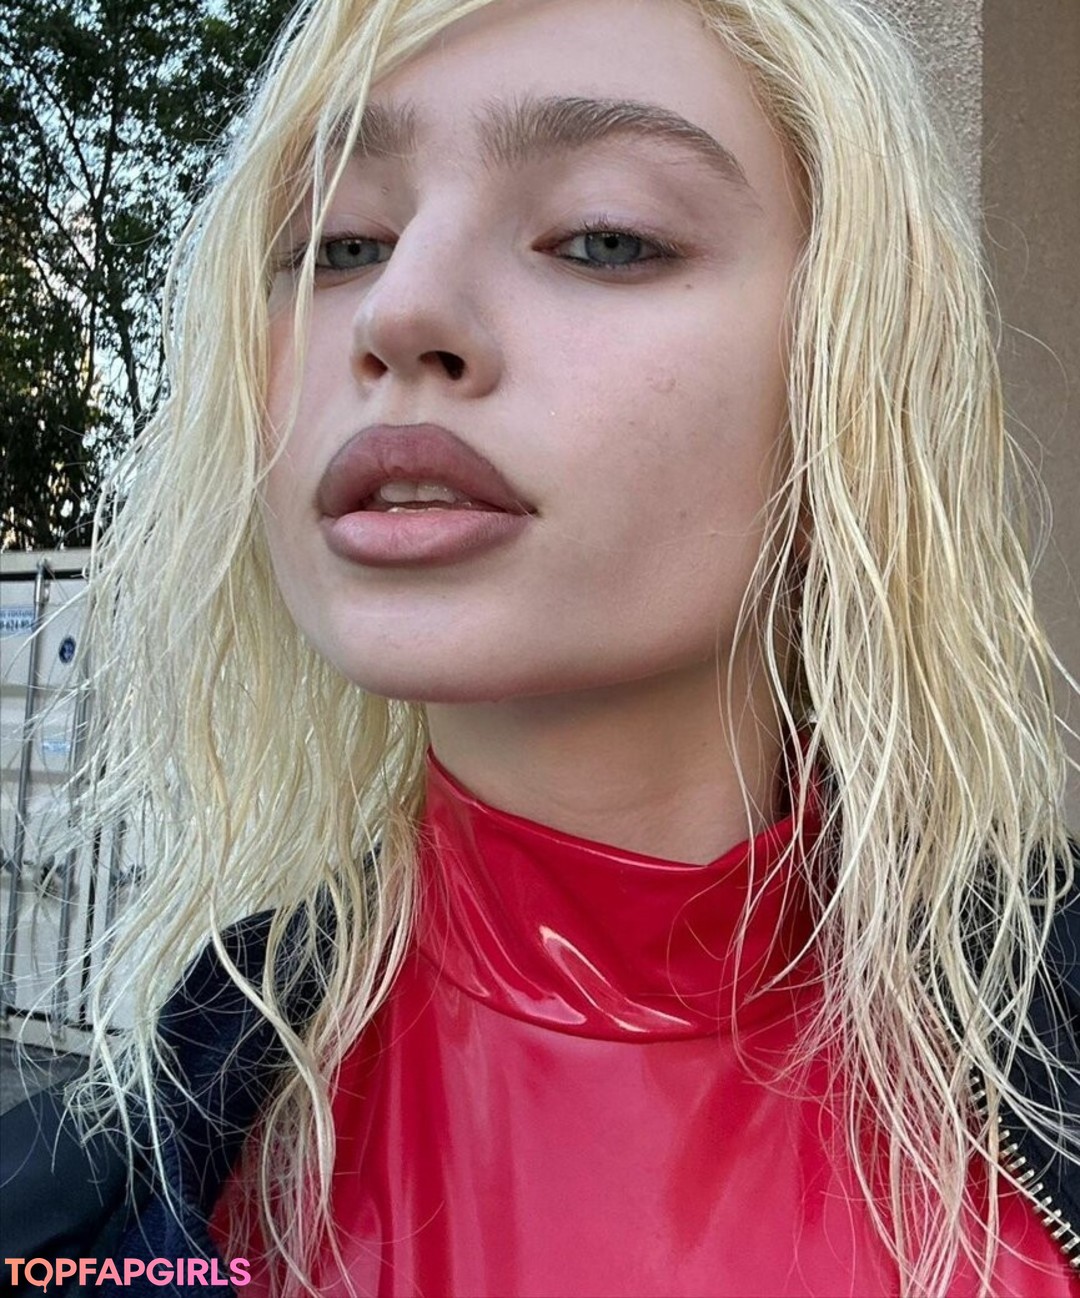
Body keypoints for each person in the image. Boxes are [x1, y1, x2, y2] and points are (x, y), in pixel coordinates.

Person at [2, 0, 1078, 1294]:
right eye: (339, 243)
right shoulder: (73, 1210)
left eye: (605, 236)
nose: (397, 308)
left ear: (851, 368)